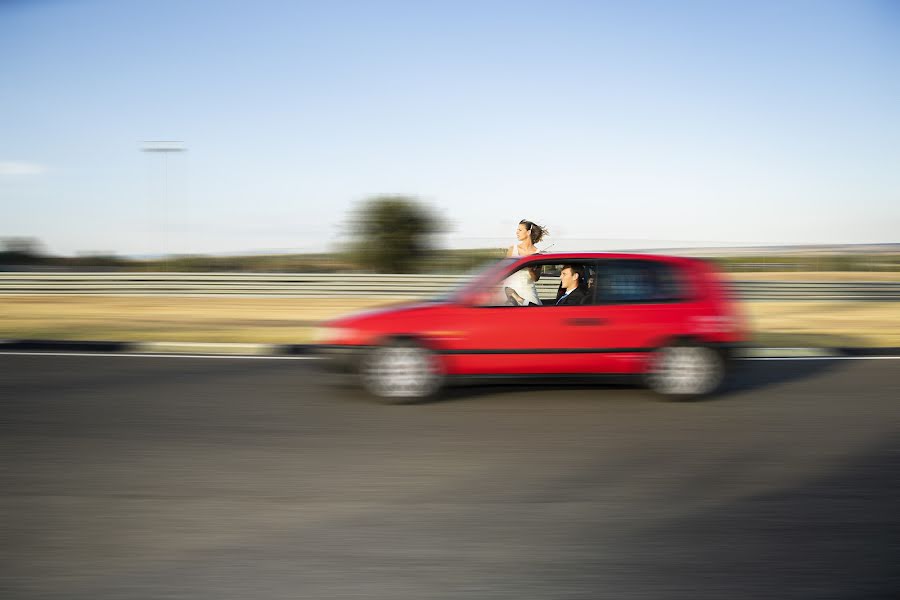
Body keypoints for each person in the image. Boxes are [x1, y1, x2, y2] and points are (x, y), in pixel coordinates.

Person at [503, 219, 548, 306]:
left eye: (520, 230)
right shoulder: (513, 249)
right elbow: (504, 271)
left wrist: (530, 268)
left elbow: (536, 278)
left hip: (528, 292)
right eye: (517, 230)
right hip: (510, 290)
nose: (517, 232)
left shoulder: (538, 253)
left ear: (528, 232)